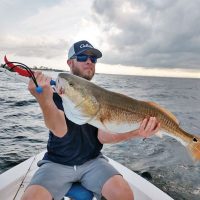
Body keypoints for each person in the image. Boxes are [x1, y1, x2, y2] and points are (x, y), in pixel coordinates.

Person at [21, 40, 160, 200]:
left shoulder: (101, 96)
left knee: (124, 194)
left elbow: (103, 136)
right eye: (82, 57)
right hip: (57, 162)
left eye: (93, 59)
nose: (89, 61)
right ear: (70, 62)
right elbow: (59, 130)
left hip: (92, 161)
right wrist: (45, 101)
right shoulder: (57, 93)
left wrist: (136, 132)